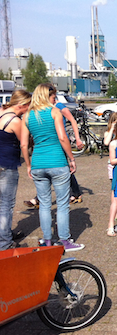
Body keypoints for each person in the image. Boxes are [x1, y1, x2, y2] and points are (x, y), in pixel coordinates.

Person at [20, 83, 84, 251]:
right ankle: (64, 240)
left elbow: (24, 145)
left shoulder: (27, 116)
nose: (55, 99)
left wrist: (28, 165)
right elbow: (63, 138)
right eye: (54, 97)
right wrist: (72, 158)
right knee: (63, 204)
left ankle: (47, 240)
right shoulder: (54, 111)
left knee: (45, 204)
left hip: (37, 164)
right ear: (46, 96)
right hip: (57, 162)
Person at [0, 90, 32, 250]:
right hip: (7, 165)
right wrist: (28, 164)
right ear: (22, 105)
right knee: (6, 204)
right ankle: (4, 243)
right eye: (29, 106)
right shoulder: (15, 121)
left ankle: (4, 234)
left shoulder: (1, 112)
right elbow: (24, 142)